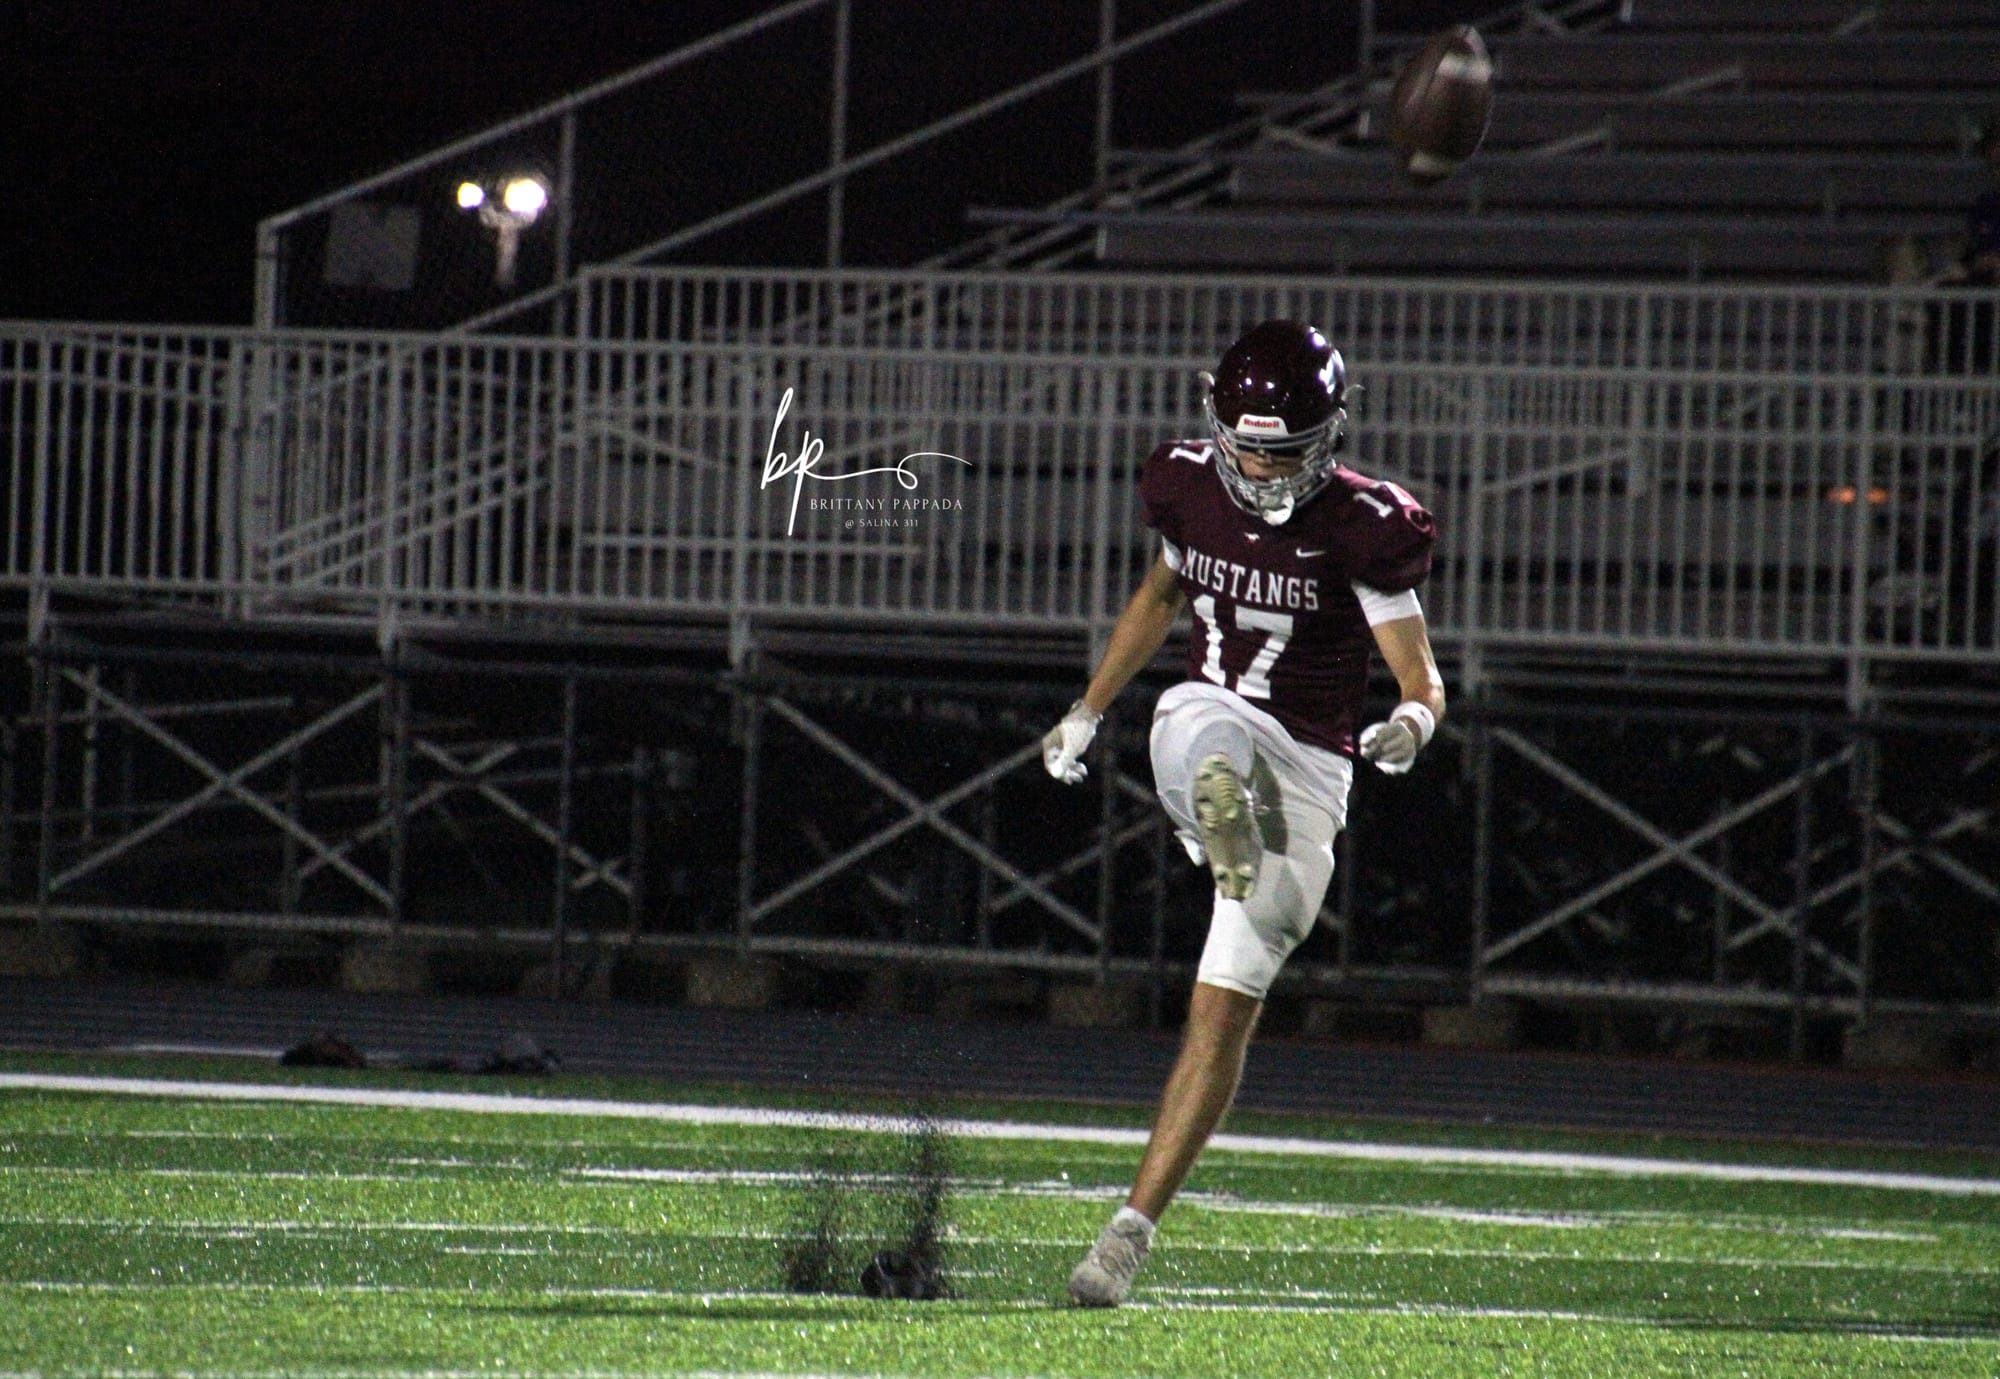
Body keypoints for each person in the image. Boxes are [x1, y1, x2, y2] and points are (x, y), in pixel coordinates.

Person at [1040, 319, 1447, 1307]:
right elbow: (1159, 597)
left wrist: (1410, 723)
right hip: (1210, 714)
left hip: (1310, 765)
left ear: (1329, 434)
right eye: (1249, 446)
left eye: (1283, 449)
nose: (1261, 467)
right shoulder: (1186, 484)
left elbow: (1421, 679)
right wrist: (1088, 707)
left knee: (1226, 1002)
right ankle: (1221, 817)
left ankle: (1126, 1235)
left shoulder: (1361, 523)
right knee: (1201, 731)